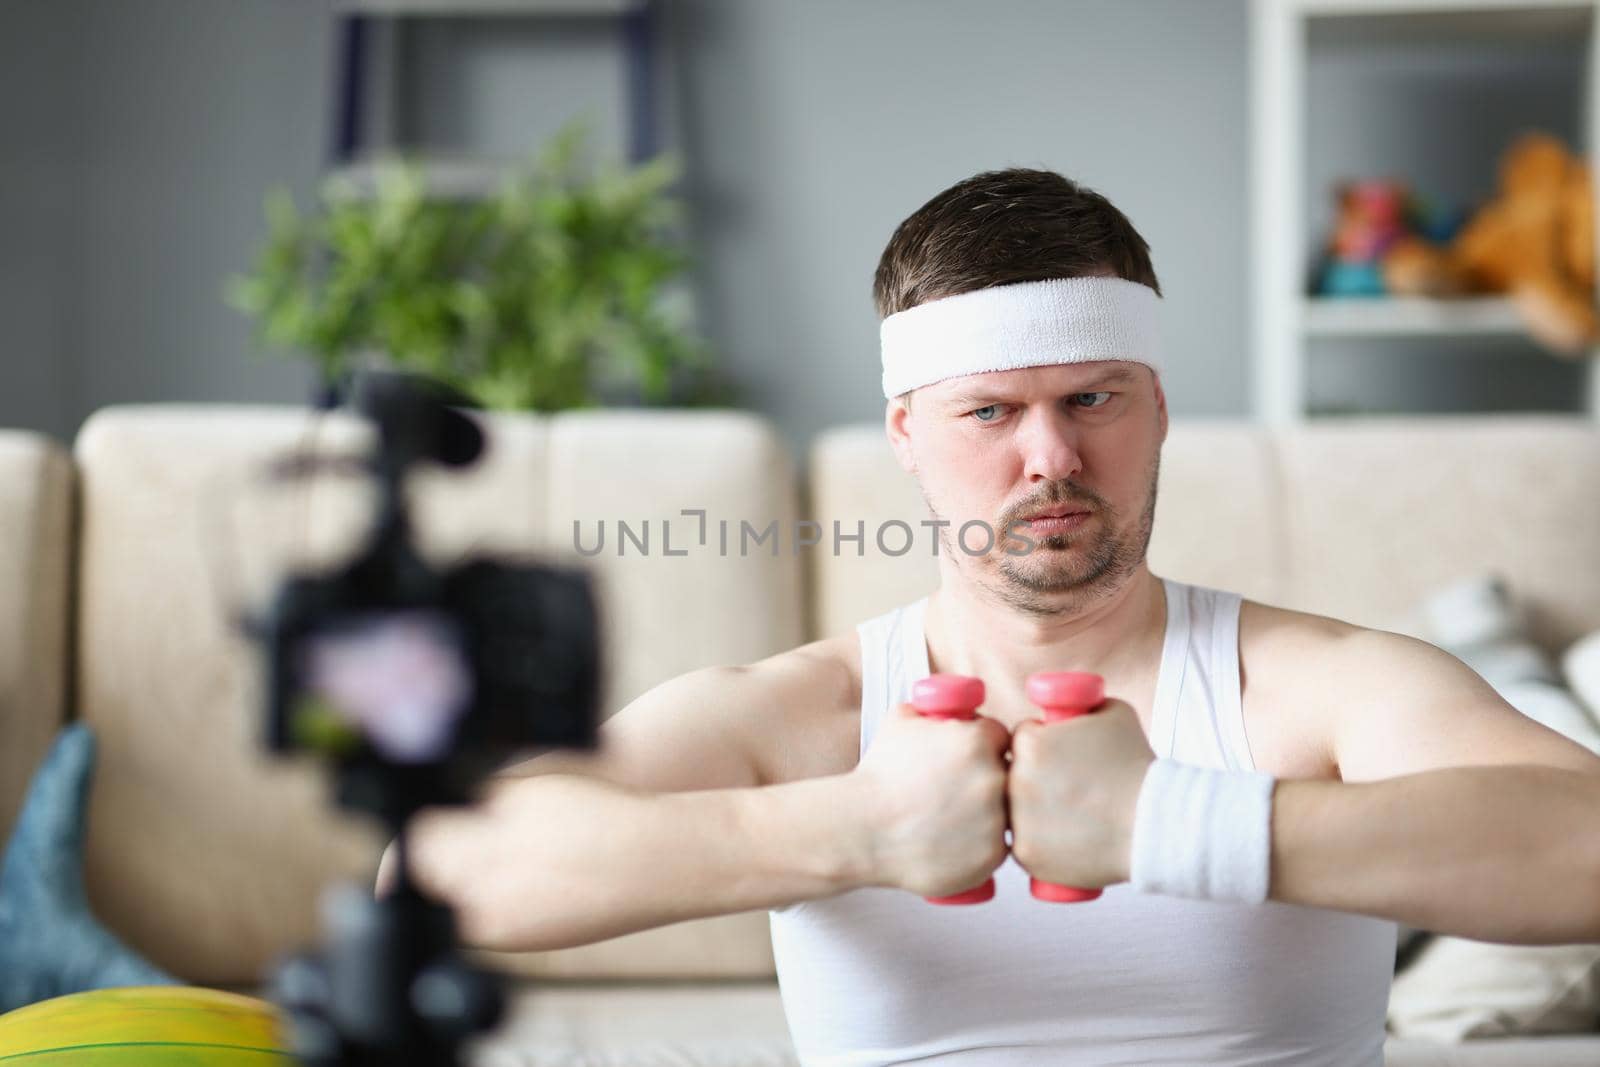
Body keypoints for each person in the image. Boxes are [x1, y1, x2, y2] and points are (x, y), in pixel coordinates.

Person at [385, 168, 1600, 1065]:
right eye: (988, 413)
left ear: (1160, 407)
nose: (1051, 456)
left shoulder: (1308, 686)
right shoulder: (806, 716)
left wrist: (1173, 822)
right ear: (905, 433)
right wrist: (856, 826)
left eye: (1092, 397)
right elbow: (429, 869)